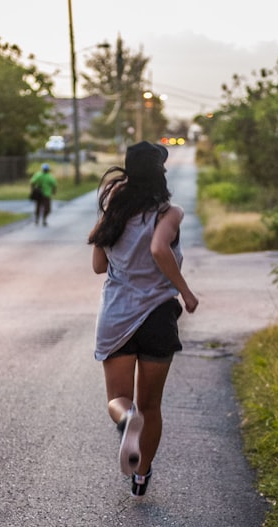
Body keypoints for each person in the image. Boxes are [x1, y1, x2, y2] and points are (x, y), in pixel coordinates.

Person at [88, 141, 199, 497]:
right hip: (157, 316)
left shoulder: (113, 212)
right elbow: (157, 247)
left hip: (117, 316)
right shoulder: (170, 213)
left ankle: (125, 420)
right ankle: (141, 474)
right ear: (161, 174)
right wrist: (185, 291)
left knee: (119, 399)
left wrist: (111, 210)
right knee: (151, 405)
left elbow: (98, 266)